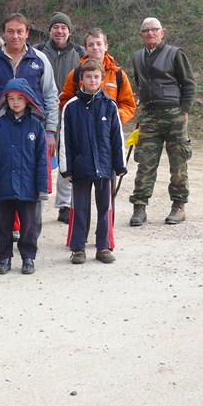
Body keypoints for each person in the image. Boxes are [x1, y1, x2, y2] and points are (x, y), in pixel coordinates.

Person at [0, 12, 59, 246]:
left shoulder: (40, 59)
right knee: (0, 182)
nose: (15, 35)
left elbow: (50, 95)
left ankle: (31, 238)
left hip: (34, 132)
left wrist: (50, 130)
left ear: (27, 33)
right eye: (10, 31)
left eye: (20, 31)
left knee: (33, 184)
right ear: (3, 33)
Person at [129, 17, 196, 226]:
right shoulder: (137, 57)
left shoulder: (175, 53)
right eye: (146, 30)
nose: (150, 33)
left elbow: (189, 83)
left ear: (162, 32)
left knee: (178, 163)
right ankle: (139, 208)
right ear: (141, 35)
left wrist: (184, 109)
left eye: (154, 30)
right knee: (145, 164)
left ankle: (179, 206)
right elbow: (139, 84)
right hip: (149, 115)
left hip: (174, 115)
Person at [59, 59, 127, 264]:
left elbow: (117, 138)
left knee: (105, 208)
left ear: (102, 78)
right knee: (80, 208)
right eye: (88, 76)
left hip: (105, 168)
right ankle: (78, 248)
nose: (92, 80)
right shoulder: (71, 107)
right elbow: (65, 139)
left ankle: (103, 247)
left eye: (96, 76)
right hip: (80, 167)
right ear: (81, 79)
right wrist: (66, 167)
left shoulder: (110, 106)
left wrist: (120, 164)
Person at [0, 78, 48, 276]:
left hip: (28, 187)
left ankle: (28, 257)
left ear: (28, 100)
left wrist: (42, 187)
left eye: (20, 98)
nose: (16, 102)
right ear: (6, 101)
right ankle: (4, 258)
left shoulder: (36, 126)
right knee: (4, 225)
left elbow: (42, 160)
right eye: (11, 98)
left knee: (28, 225)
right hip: (4, 186)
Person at [34, 12, 85, 224]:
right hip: (40, 113)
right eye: (56, 27)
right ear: (50, 30)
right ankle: (34, 201)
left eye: (64, 27)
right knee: (38, 158)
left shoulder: (80, 53)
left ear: (70, 31)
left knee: (67, 158)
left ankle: (65, 204)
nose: (59, 31)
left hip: (69, 113)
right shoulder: (37, 51)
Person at [59, 28, 137, 126]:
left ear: (106, 47)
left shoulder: (118, 75)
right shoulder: (75, 74)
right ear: (86, 49)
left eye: (99, 44)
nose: (95, 47)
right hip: (82, 127)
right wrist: (79, 116)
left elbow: (128, 105)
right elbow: (65, 102)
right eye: (91, 45)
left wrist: (112, 117)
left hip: (109, 130)